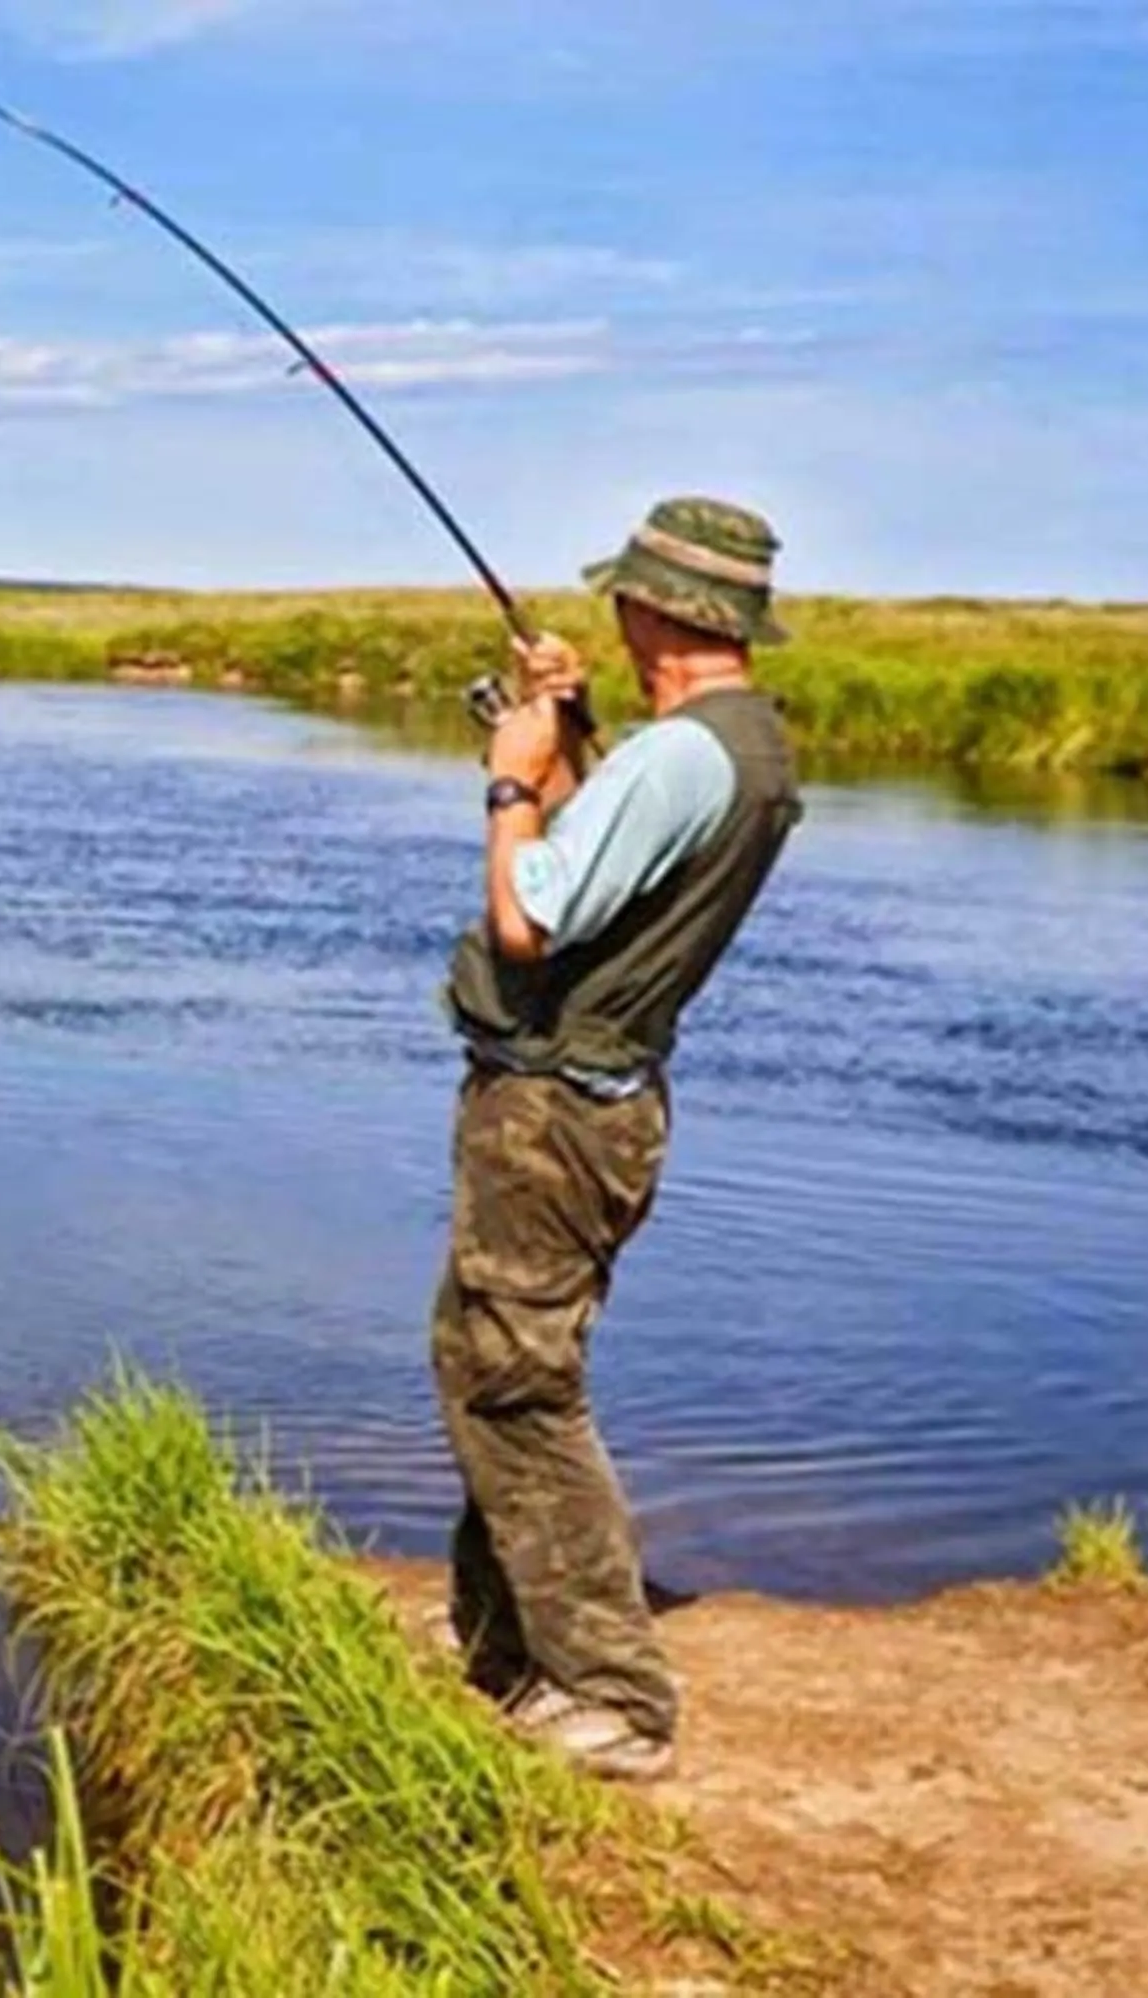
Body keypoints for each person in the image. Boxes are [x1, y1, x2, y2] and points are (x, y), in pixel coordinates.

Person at [431, 497, 804, 1783]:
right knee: (487, 1358)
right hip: (596, 1105)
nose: (612, 611)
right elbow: (612, 863)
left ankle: (613, 1696)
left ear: (660, 611)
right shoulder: (733, 747)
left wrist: (511, 773)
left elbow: (535, 914)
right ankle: (504, 1640)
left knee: (520, 1382)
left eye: (624, 597)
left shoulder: (684, 758)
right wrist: (577, 734)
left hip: (555, 1116)